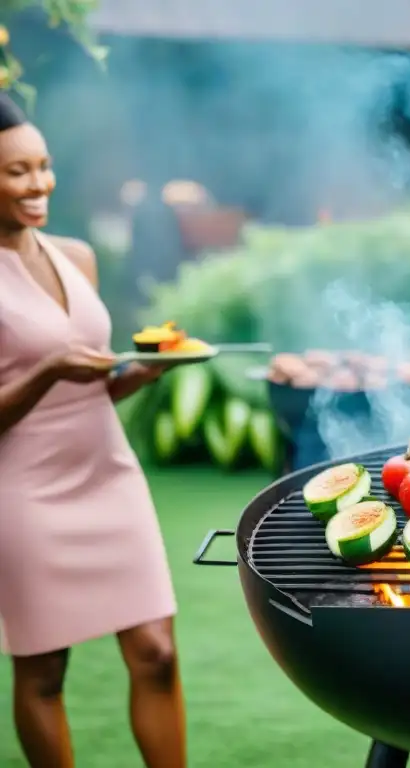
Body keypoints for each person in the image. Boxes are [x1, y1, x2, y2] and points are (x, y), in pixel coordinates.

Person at [0, 95, 186, 767]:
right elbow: (45, 380)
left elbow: (95, 385)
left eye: (43, 166)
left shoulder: (76, 256)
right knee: (44, 673)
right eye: (16, 171)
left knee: (157, 653)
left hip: (109, 473)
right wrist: (49, 368)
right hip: (25, 490)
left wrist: (144, 373)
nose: (39, 184)